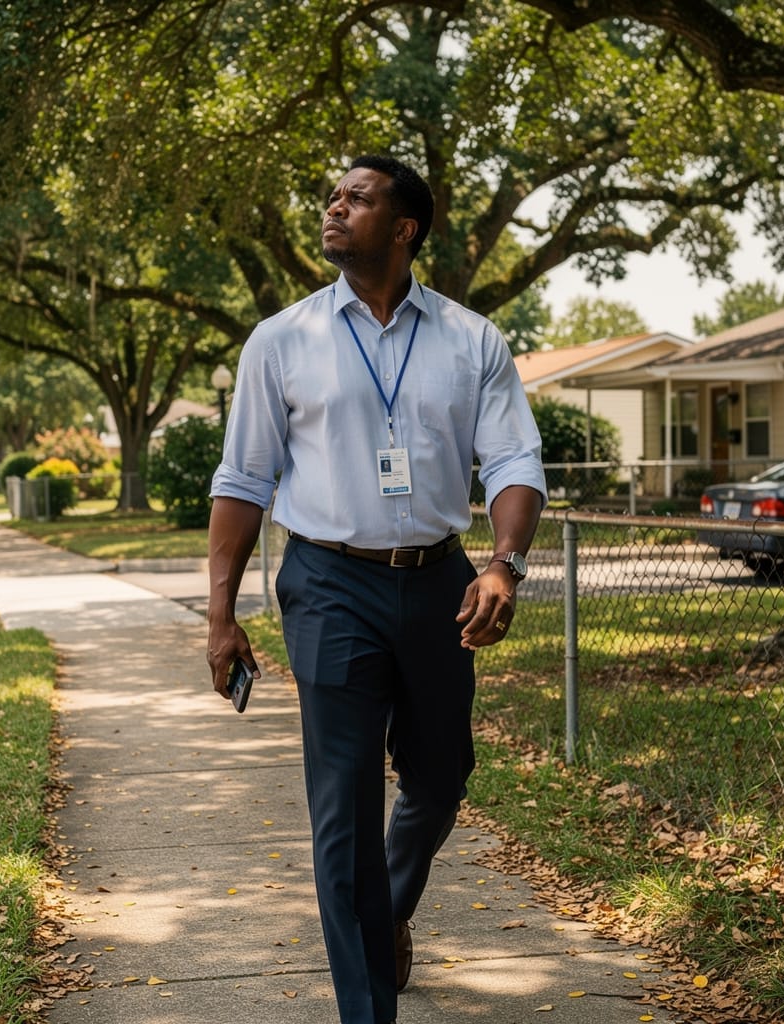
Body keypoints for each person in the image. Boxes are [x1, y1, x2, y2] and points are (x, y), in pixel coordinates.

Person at [206, 154, 547, 1024]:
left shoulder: (472, 339)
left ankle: (384, 912)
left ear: (405, 229)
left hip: (441, 583)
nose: (334, 208)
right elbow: (243, 480)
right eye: (330, 195)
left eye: (356, 199)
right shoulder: (282, 340)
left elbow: (513, 461)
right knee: (345, 805)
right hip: (326, 584)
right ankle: (367, 1009)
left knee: (440, 777)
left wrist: (503, 561)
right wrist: (221, 614)